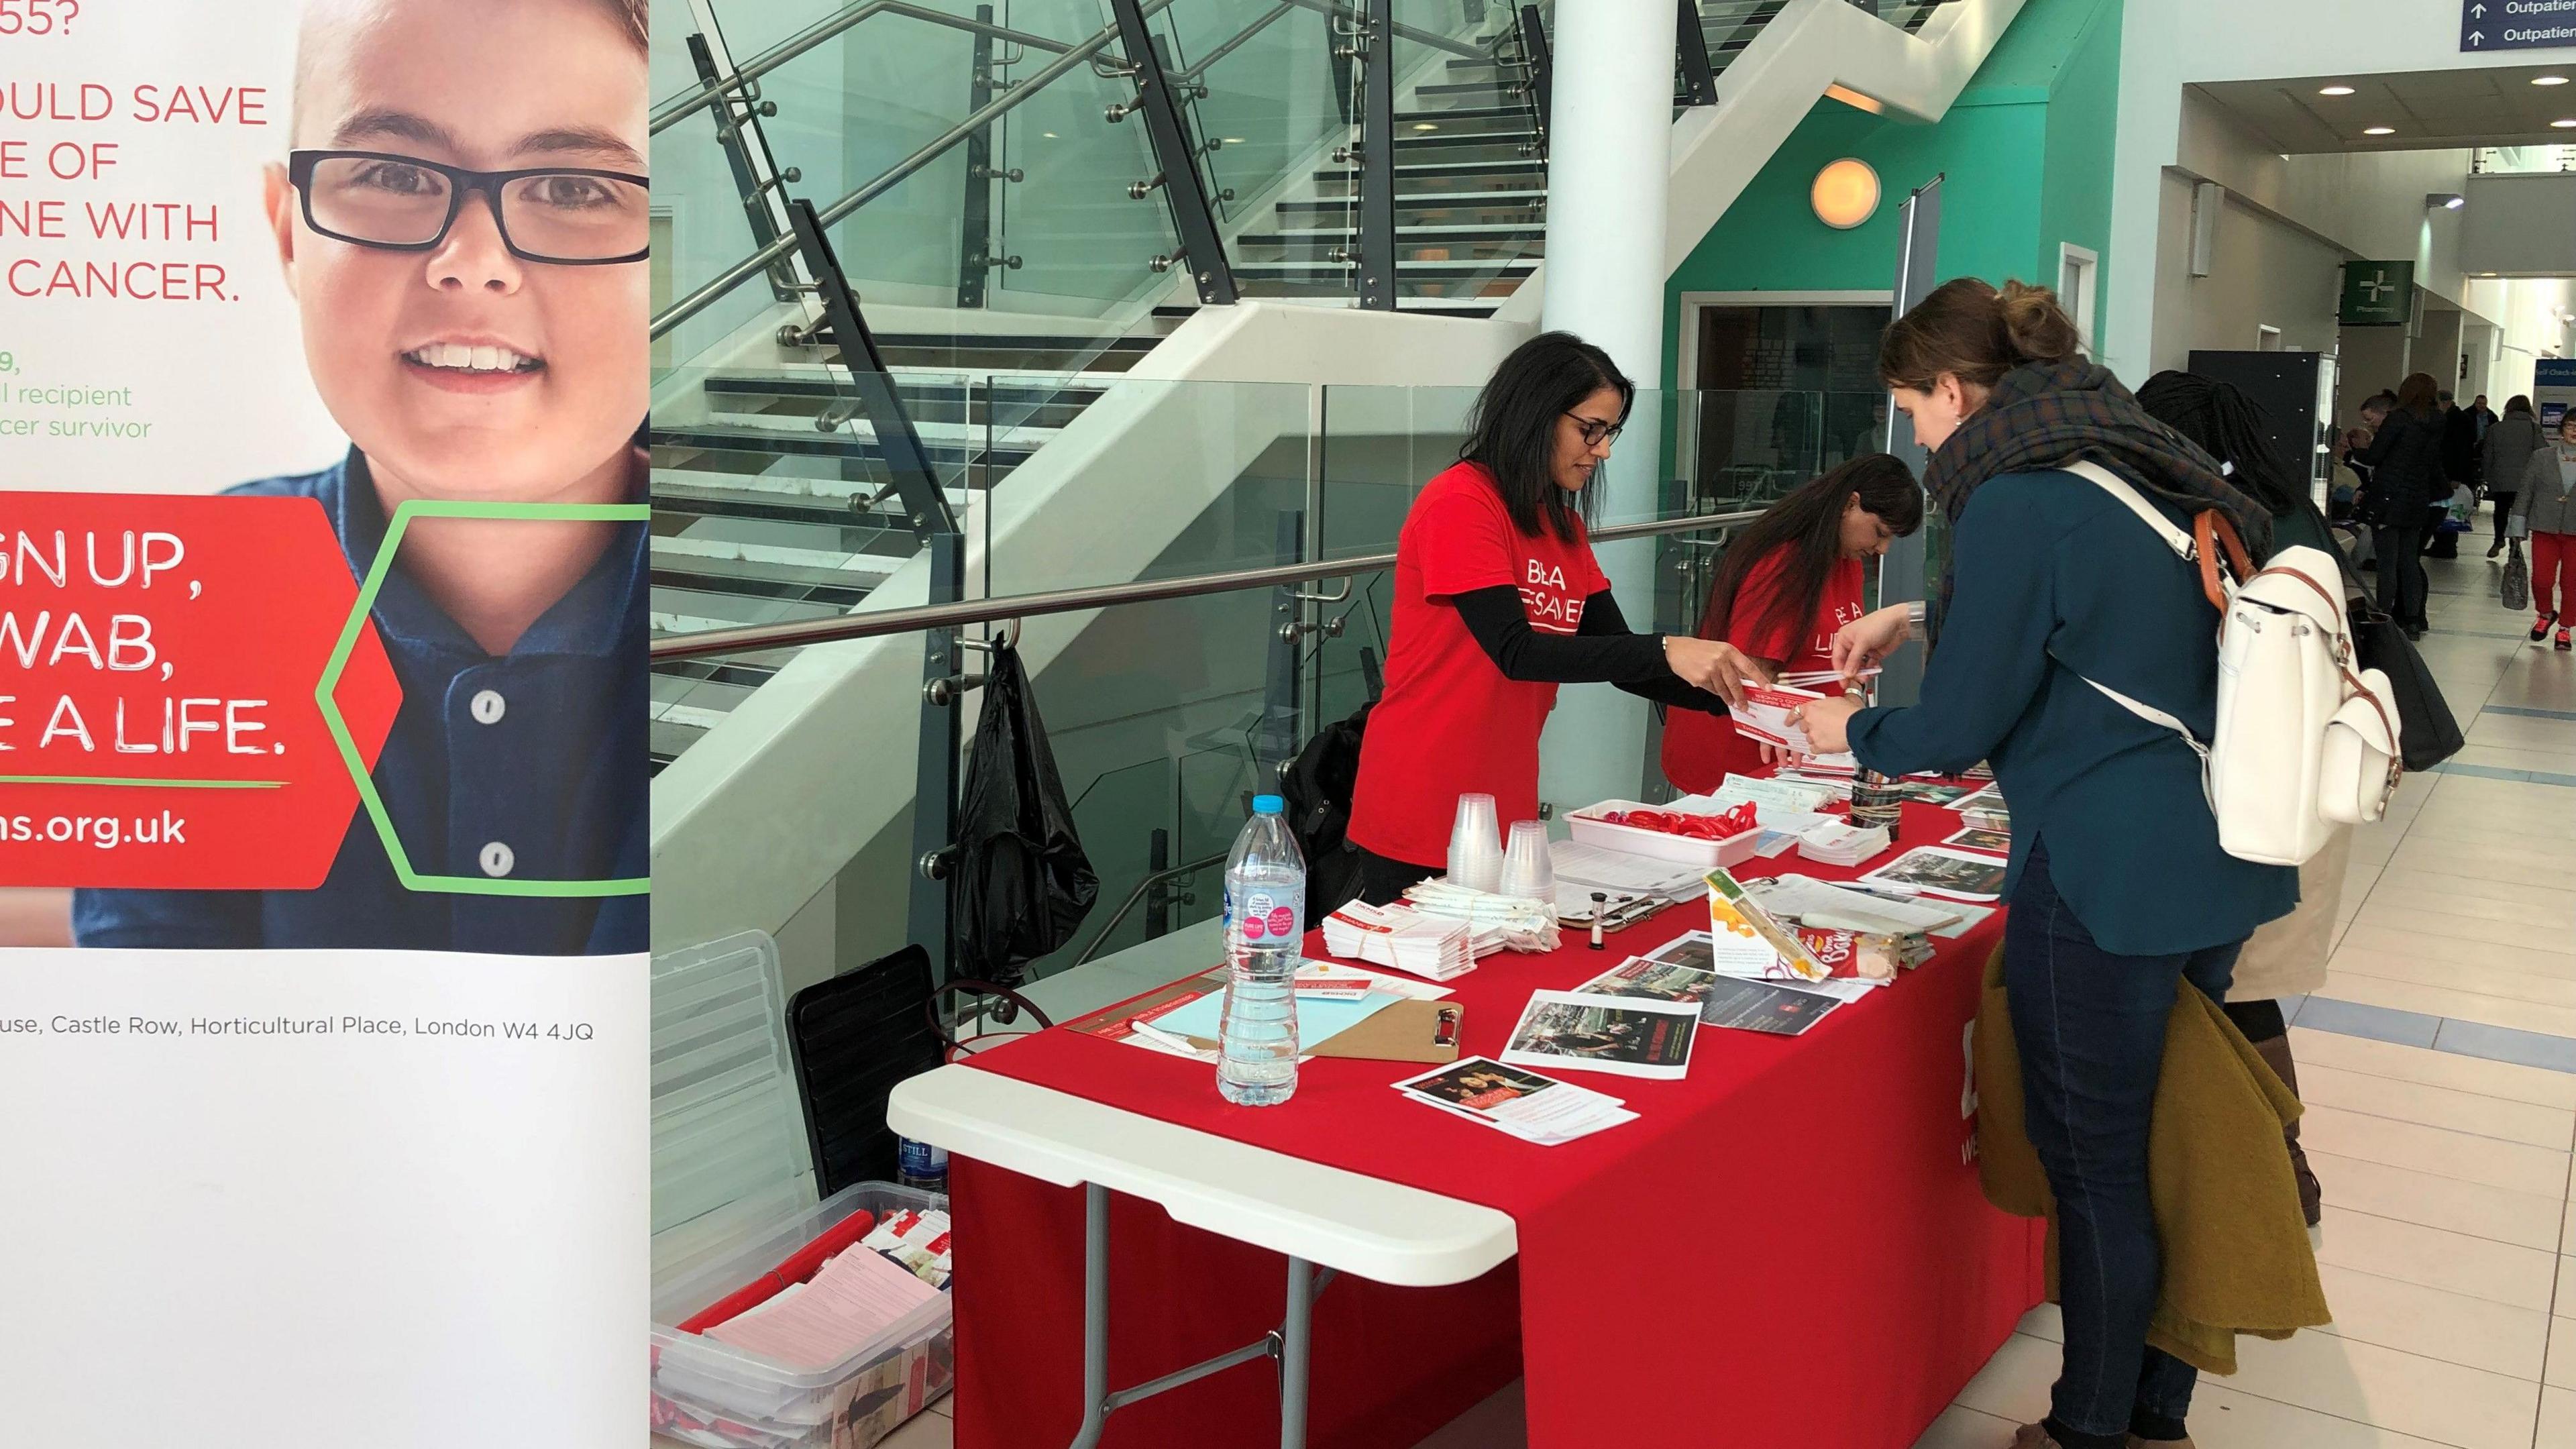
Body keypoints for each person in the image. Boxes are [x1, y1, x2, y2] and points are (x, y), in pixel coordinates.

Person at [1790, 277, 2296, 1449]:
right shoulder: (2126, 456)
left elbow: (1958, 726)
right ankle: (2154, 1415)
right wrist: (1918, 617)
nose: (1913, 434)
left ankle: (2086, 1430)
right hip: (2215, 852)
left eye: (1912, 408)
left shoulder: (2012, 498)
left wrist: (1846, 732)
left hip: (2105, 872)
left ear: (1955, 390)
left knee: (2100, 1168)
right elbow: (2112, 613)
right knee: (2169, 1145)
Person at [71, 0, 651, 955]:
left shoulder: (777, 622)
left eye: (574, 188)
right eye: (390, 173)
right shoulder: (182, 596)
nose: (474, 263)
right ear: (289, 233)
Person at [1338, 333, 1767, 908]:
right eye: (1590, 429)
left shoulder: (1562, 527)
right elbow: (1518, 652)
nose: (1603, 450)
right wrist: (1665, 647)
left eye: (1609, 432)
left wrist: (1752, 704)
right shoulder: (1461, 503)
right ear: (1535, 414)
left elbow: (1620, 659)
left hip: (1504, 802)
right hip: (1423, 797)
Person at [2135, 369, 2360, 1233]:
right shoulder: (2290, 512)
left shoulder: (2224, 528)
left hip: (2262, 794)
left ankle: (2277, 1169)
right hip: (2308, 786)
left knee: (2236, 985)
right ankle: (2271, 1164)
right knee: (2241, 986)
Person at [1658, 454, 1923, 794]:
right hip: (1743, 756)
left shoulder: (1845, 562)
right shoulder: (1783, 562)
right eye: (1880, 532)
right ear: (1850, 504)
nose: (1882, 549)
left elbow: (1851, 660)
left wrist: (1854, 699)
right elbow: (1750, 676)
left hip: (1801, 754)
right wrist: (1786, 727)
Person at [2344, 374, 2447, 639]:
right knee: (2409, 561)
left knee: (2387, 563)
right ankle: (2412, 620)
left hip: (2389, 497)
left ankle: (2384, 615)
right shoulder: (2438, 420)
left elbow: (2377, 455)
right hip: (2417, 498)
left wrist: (2354, 451)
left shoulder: (2398, 418)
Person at [2511, 409, 2576, 651]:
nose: (2575, 431)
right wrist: (2517, 524)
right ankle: (2546, 614)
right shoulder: (2542, 457)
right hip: (2544, 526)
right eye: (2571, 426)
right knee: (2541, 580)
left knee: (2572, 582)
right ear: (2561, 430)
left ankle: (2565, 629)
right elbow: (2526, 491)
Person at [2483, 396, 2546, 558]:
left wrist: (2488, 476)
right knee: (2519, 513)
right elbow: (2542, 452)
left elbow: (2488, 456)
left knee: (2501, 511)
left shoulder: (2496, 428)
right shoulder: (2534, 429)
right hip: (2524, 480)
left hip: (2500, 478)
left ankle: (2498, 540)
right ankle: (2515, 545)